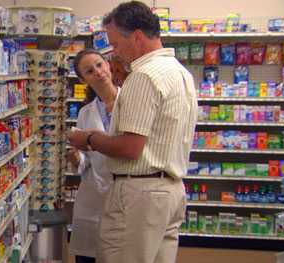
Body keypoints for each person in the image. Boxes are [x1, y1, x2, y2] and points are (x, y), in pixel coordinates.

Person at [68, 1, 198, 263]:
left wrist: (89, 138)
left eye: (115, 44)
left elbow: (130, 147)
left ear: (137, 37)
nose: (115, 53)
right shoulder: (180, 72)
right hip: (170, 192)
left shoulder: (144, 75)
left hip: (140, 195)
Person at [67, 49, 120, 263]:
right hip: (94, 196)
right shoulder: (85, 113)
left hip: (126, 192)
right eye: (89, 71)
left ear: (108, 64)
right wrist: (75, 157)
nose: (98, 72)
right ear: (83, 79)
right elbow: (84, 162)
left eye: (99, 65)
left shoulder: (132, 101)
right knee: (88, 256)